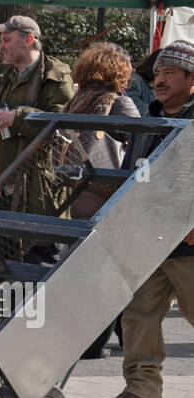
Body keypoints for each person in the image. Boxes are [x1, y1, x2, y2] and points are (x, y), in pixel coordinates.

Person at [98, 40, 194, 398]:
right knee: (138, 317)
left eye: (170, 73)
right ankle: (142, 391)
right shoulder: (148, 118)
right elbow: (131, 173)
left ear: (192, 79)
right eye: (157, 74)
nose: (160, 80)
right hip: (149, 241)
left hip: (189, 242)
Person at [62, 43, 139, 361]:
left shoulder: (76, 98)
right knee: (109, 268)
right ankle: (97, 341)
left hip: (76, 187)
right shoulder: (116, 101)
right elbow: (141, 137)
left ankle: (99, 336)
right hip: (106, 190)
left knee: (85, 264)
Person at [0, 16, 73, 223]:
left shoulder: (55, 77)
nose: (1, 47)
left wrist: (18, 118)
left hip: (39, 189)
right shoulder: (3, 81)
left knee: (39, 252)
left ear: (28, 40)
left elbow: (63, 126)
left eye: (7, 40)